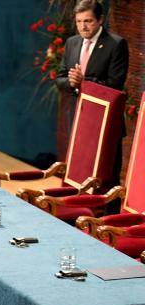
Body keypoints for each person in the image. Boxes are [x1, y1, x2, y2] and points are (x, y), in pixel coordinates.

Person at [55, 0, 128, 184]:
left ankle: (108, 212)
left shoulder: (116, 44)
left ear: (100, 20)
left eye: (88, 21)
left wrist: (84, 82)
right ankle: (78, 209)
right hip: (79, 117)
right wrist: (71, 83)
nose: (83, 26)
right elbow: (60, 79)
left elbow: (115, 85)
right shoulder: (72, 43)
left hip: (105, 120)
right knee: (78, 172)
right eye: (79, 21)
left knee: (107, 174)